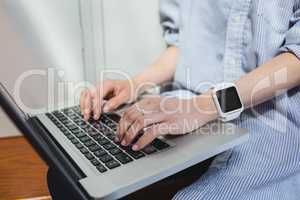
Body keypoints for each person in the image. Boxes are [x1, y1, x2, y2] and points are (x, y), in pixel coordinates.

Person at [80, 0, 300, 199]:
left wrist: (207, 105)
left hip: (271, 119)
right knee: (80, 175)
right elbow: (184, 45)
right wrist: (135, 84)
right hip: (185, 104)